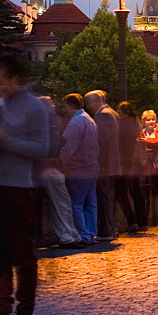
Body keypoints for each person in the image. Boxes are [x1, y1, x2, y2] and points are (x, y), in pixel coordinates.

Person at [0, 55, 50, 315]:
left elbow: (41, 148)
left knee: (22, 251)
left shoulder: (34, 107)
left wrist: (7, 139)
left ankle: (25, 309)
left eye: (0, 77)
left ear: (14, 77)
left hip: (20, 186)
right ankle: (2, 307)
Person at [37, 95, 85, 249]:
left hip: (49, 167)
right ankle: (68, 236)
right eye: (50, 103)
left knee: (60, 204)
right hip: (51, 167)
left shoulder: (43, 123)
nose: (53, 106)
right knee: (62, 203)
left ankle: (69, 236)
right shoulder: (50, 123)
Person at [60, 93, 99, 245]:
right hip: (92, 166)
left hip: (79, 168)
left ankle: (83, 234)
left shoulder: (76, 123)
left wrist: (59, 163)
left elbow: (68, 147)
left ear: (69, 106)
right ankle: (90, 233)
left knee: (76, 203)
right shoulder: (90, 120)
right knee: (91, 202)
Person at [84, 90, 121, 242]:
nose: (88, 107)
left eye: (89, 103)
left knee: (104, 197)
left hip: (104, 164)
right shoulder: (112, 112)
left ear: (95, 101)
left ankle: (106, 230)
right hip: (111, 163)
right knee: (109, 197)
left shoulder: (102, 115)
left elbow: (102, 141)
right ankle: (112, 228)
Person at [114, 102, 148, 233]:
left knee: (121, 193)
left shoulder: (120, 125)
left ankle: (132, 221)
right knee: (136, 193)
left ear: (121, 112)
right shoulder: (136, 123)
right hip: (135, 163)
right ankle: (143, 222)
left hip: (123, 162)